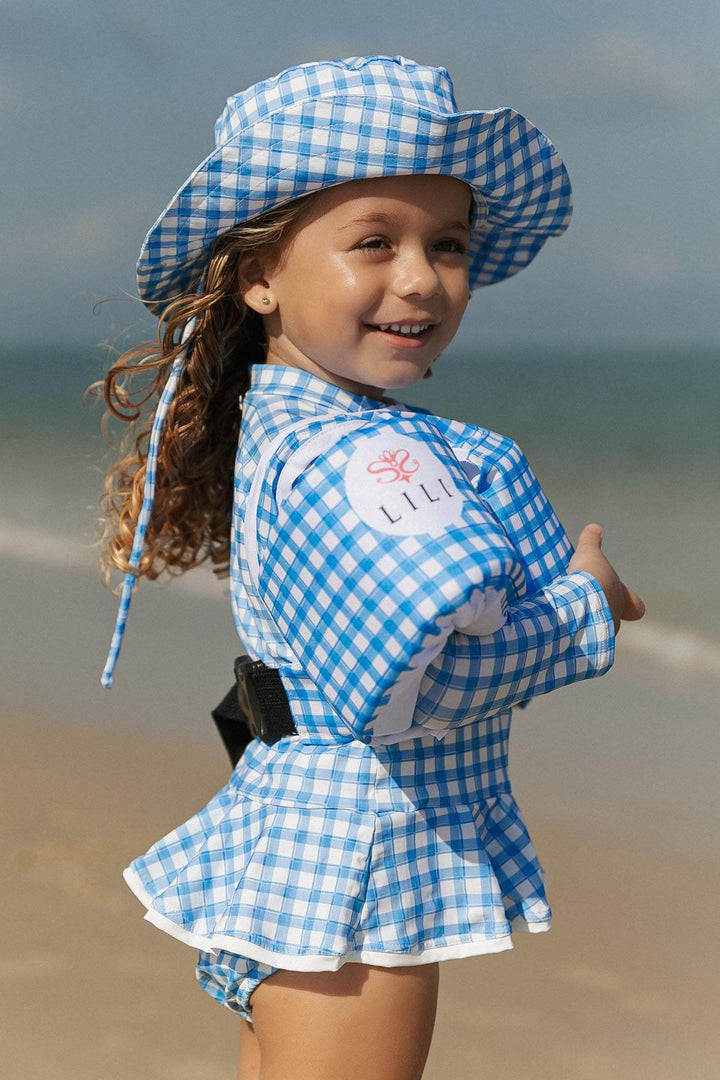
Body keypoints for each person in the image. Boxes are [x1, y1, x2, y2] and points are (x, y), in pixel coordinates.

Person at [93, 55, 645, 1080]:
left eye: (448, 245)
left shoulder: (285, 427)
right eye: (374, 242)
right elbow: (415, 688)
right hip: (364, 860)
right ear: (259, 275)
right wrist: (586, 610)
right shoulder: (371, 459)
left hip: (289, 826)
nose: (421, 278)